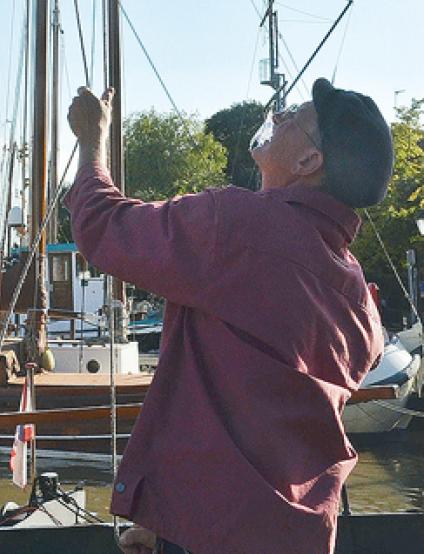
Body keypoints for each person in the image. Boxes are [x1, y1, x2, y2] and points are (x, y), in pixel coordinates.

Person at [65, 78, 392, 553]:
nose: (277, 116)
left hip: (216, 536)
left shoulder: (236, 224)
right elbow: (264, 409)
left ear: (308, 161)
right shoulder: (358, 297)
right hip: (297, 536)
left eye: (294, 116)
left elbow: (103, 224)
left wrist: (92, 140)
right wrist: (166, 524)